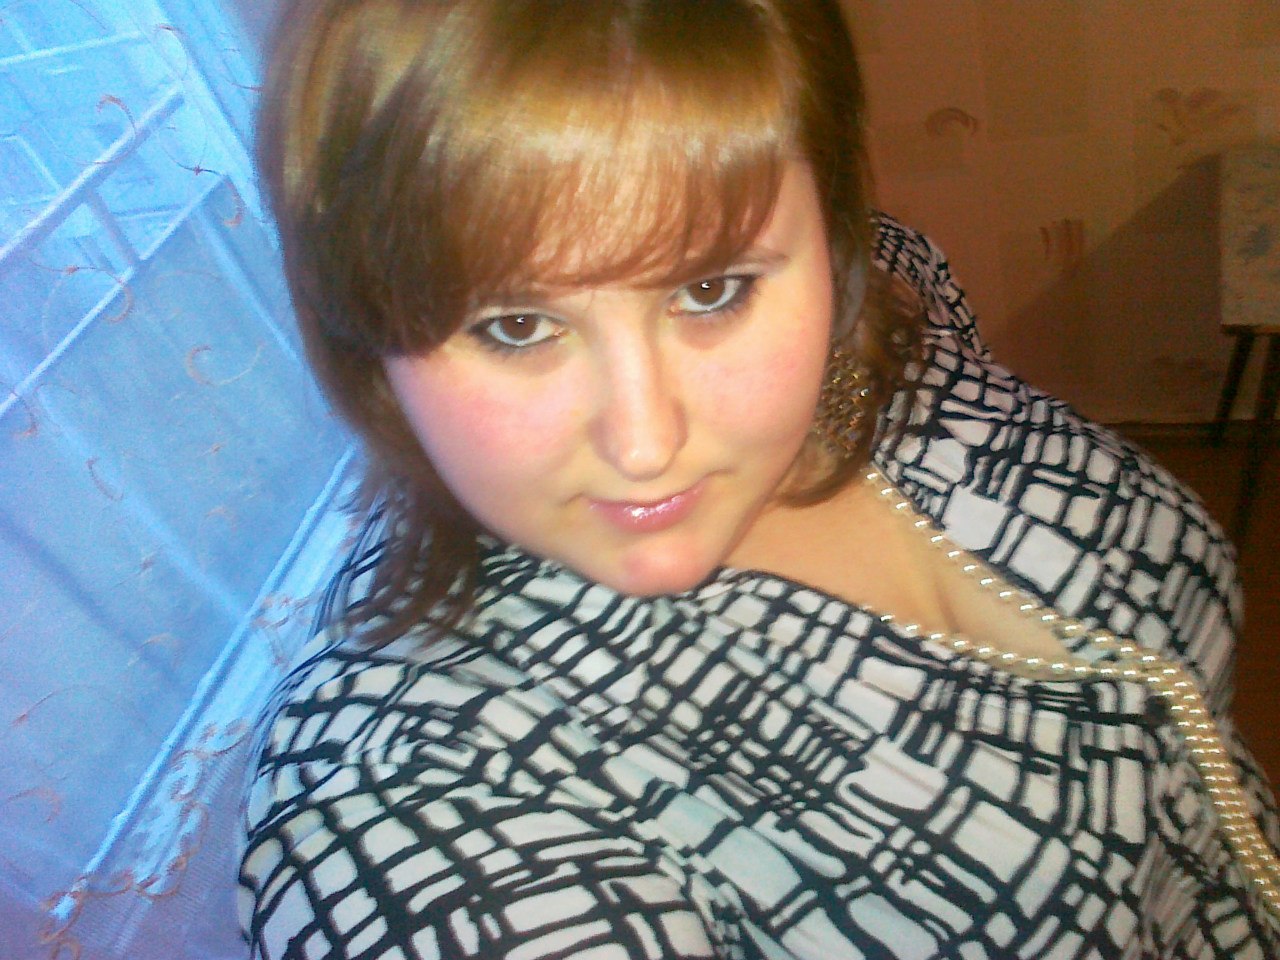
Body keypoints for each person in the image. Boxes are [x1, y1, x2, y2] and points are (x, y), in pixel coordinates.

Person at [238, 1, 1280, 957]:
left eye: (710, 289)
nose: (644, 442)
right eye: (514, 325)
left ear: (832, 236)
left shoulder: (893, 317)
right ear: (360, 321)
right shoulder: (406, 790)